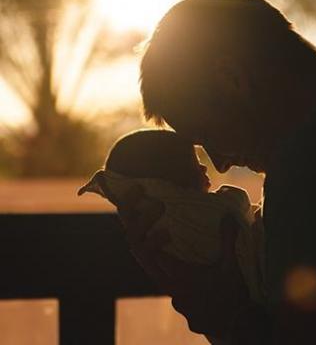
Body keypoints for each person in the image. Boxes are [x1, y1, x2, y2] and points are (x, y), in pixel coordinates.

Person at [116, 0, 316, 344]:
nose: (220, 165)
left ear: (232, 80)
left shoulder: (309, 168)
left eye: (206, 135)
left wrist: (216, 310)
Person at [78, 129, 265, 306]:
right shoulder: (193, 214)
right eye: (192, 162)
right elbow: (237, 206)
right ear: (166, 183)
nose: (205, 167)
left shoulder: (157, 228)